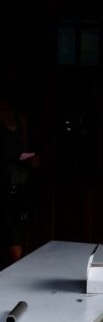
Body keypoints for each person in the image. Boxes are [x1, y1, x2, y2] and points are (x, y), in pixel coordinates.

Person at [0, 84, 35, 268]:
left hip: (20, 189)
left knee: (22, 244)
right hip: (3, 189)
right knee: (13, 248)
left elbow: (24, 150)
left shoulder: (20, 122)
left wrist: (31, 159)